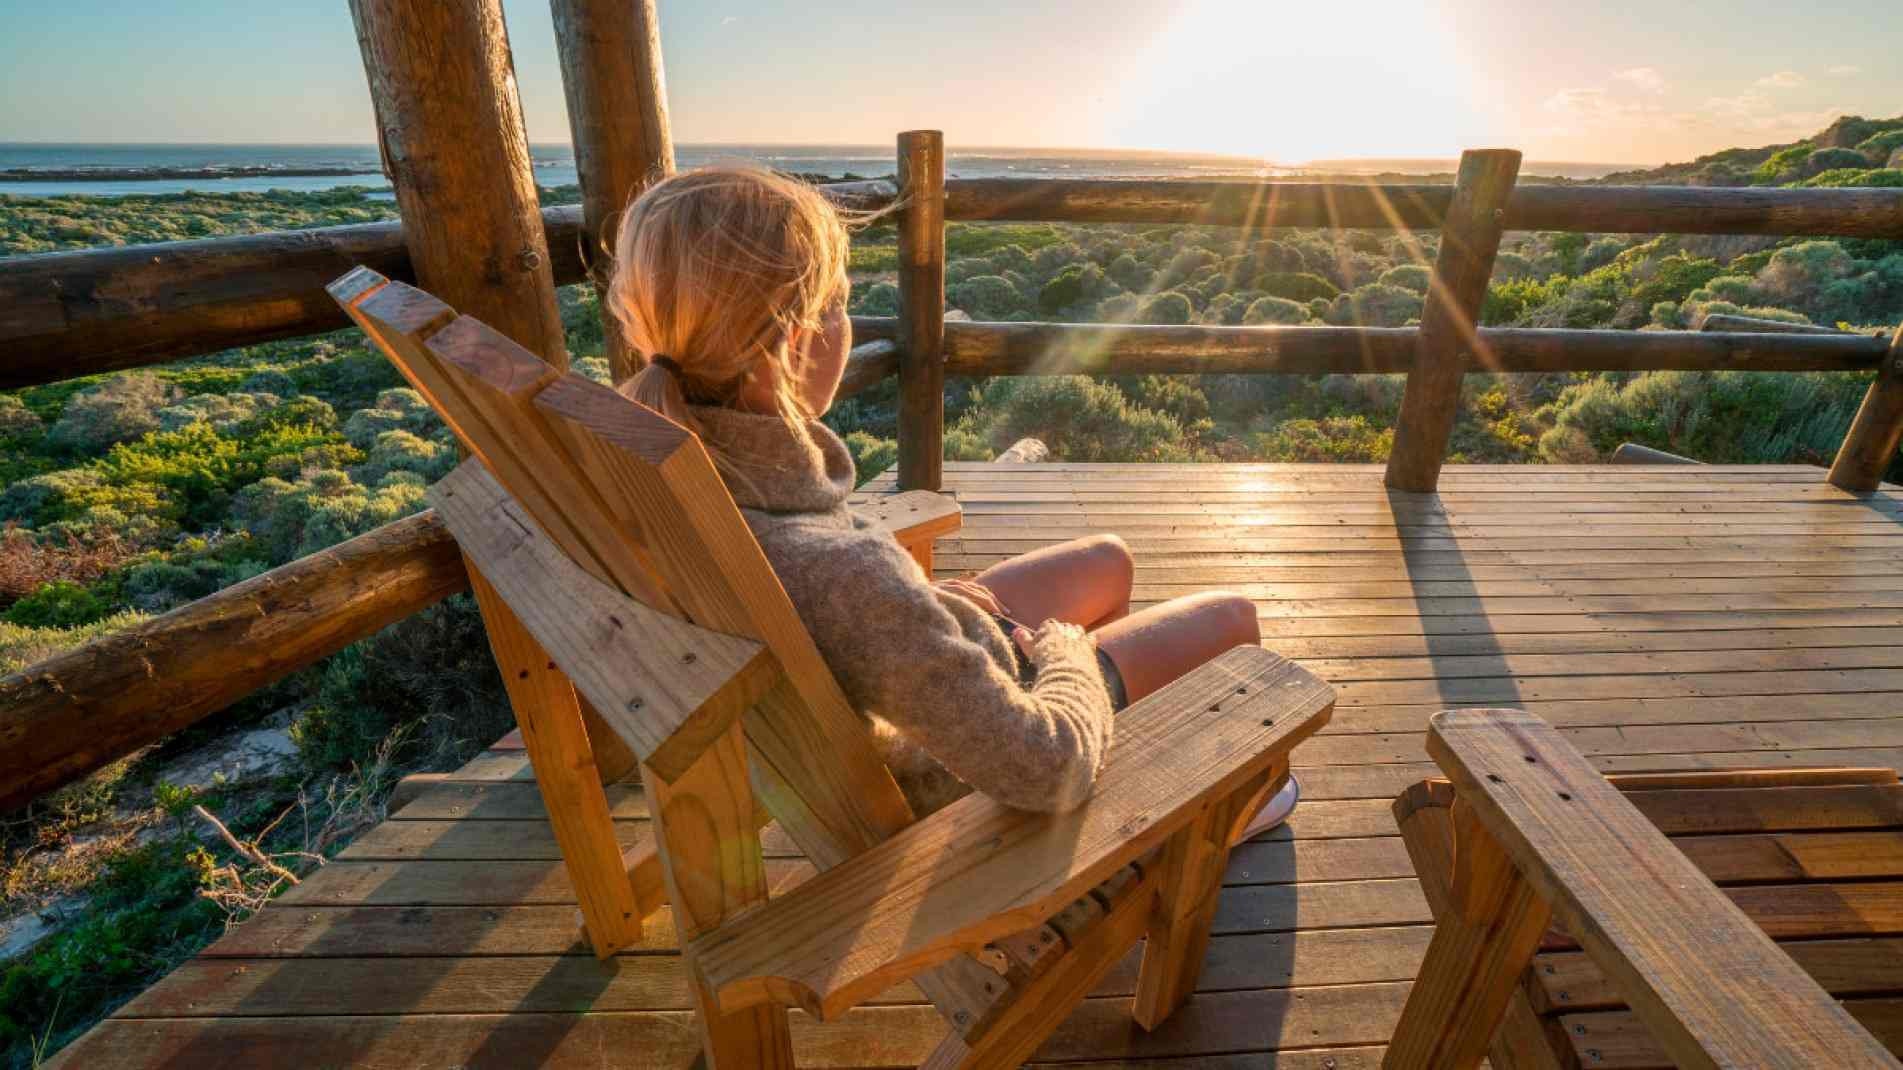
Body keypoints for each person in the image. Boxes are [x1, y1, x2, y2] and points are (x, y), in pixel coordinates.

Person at [608, 165, 1295, 836]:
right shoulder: (839, 575)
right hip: (962, 763)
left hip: (897, 669)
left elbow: (853, 610)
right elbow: (1044, 767)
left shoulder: (654, 457)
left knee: (1106, 559)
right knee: (1230, 618)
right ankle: (1228, 809)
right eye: (840, 302)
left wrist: (923, 603)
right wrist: (1067, 653)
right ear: (797, 337)